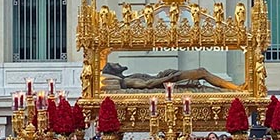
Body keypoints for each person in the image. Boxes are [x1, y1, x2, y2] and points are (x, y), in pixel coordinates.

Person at [102, 62, 243, 91]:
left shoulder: (127, 77)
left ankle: (235, 88)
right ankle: (236, 88)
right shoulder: (127, 81)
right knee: (202, 72)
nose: (118, 63)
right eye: (115, 64)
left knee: (202, 72)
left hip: (165, 76)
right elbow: (148, 84)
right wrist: (169, 79)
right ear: (113, 70)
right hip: (168, 79)